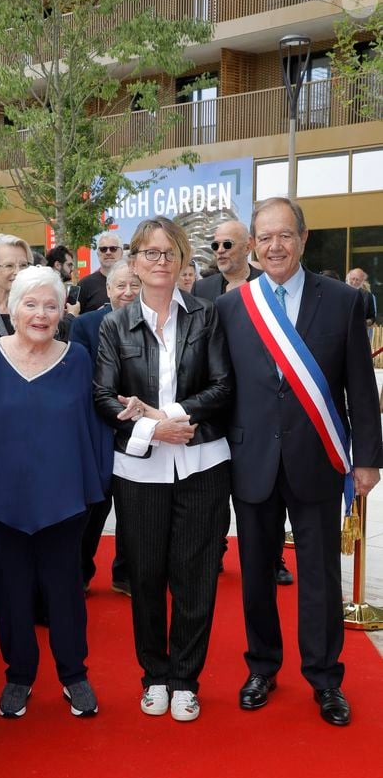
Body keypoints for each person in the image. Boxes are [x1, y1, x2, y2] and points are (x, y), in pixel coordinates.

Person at [216, 197, 383, 727]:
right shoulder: (233, 306)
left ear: (304, 239)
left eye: (284, 235)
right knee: (256, 577)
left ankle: (325, 678)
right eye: (264, 238)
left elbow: (361, 384)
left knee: (318, 577)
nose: (274, 246)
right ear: (252, 246)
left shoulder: (341, 301)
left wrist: (368, 459)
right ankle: (262, 666)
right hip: (253, 461)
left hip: (319, 458)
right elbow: (223, 388)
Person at [0, 266, 112, 719]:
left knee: (65, 594)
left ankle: (73, 675)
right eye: (31, 304)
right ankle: (18, 676)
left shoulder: (78, 357)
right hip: (3, 499)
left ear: (63, 311)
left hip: (63, 502)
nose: (40, 314)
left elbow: (94, 425)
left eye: (51, 305)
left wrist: (93, 485)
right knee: (9, 596)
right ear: (12, 307)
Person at [94, 217, 233, 722]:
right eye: (149, 253)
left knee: (196, 577)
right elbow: (104, 397)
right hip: (140, 470)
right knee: (147, 576)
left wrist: (169, 417)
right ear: (132, 262)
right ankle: (154, 674)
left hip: (202, 463)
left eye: (169, 253)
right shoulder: (115, 323)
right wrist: (155, 430)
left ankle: (185, 680)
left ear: (181, 262)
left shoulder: (206, 315)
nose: (159, 261)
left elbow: (222, 386)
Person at [192, 221, 293, 584]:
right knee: (218, 494)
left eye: (227, 243)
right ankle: (214, 551)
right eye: (215, 243)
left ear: (247, 246)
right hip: (216, 408)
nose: (219, 250)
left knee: (270, 491)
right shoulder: (202, 288)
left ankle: (275, 558)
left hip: (260, 408)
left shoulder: (269, 283)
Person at [70, 259, 141, 595]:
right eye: (120, 286)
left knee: (135, 509)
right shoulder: (84, 325)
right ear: (108, 289)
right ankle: (79, 573)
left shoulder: (152, 323)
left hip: (142, 430)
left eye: (134, 285)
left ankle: (126, 574)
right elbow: (82, 380)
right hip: (98, 430)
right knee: (93, 507)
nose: (127, 293)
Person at [78, 232, 123, 313]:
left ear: (121, 252)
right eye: (103, 249)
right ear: (98, 254)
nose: (108, 252)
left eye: (113, 249)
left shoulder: (133, 281)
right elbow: (74, 319)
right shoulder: (84, 284)